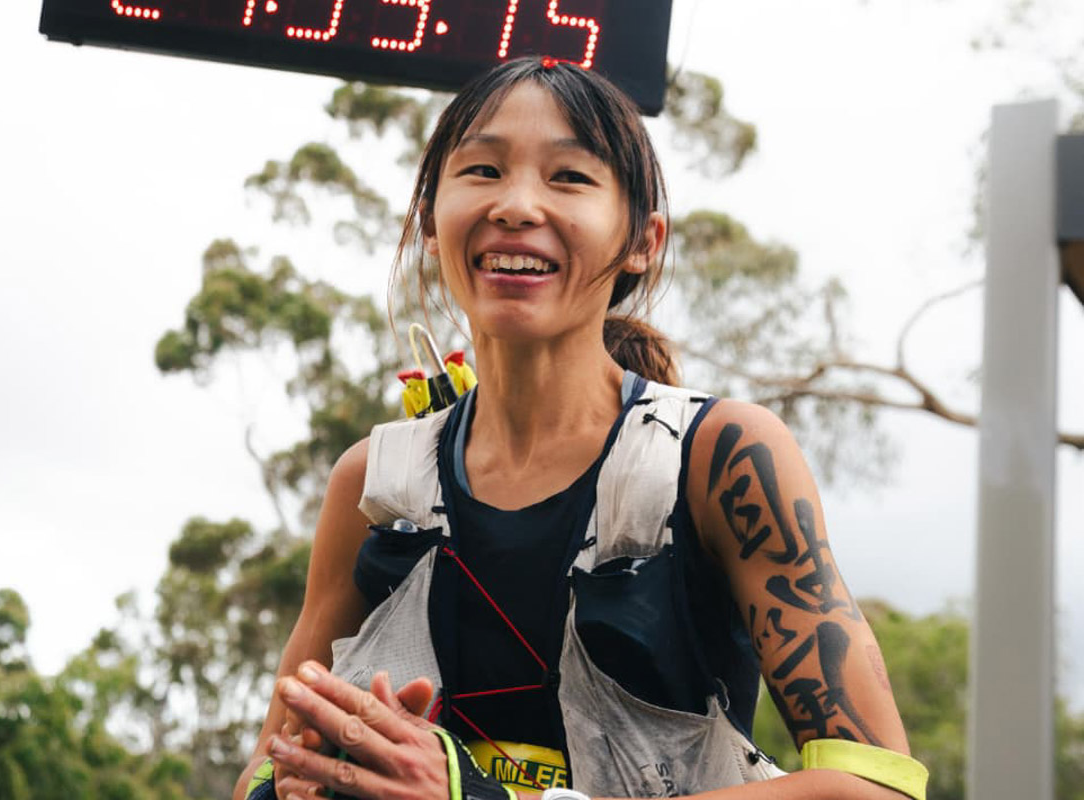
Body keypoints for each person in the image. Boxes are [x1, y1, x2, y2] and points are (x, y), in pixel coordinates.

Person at [232, 56, 925, 800]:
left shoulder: (718, 457)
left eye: (569, 177)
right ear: (432, 221)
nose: (516, 206)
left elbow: (876, 787)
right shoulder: (373, 484)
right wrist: (303, 782)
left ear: (643, 240)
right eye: (483, 170)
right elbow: (266, 769)